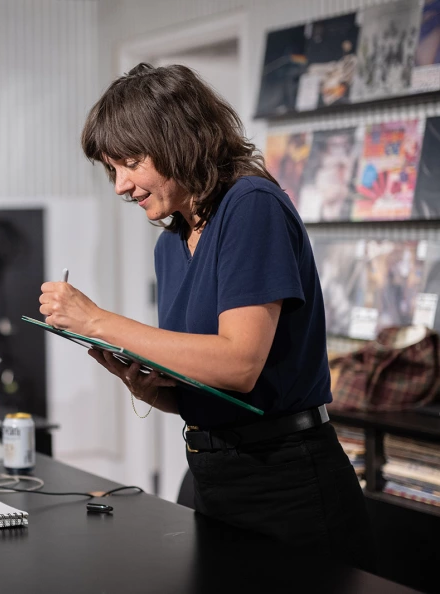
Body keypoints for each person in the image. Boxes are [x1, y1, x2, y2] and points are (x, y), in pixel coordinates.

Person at [39, 63, 376, 571]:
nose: (120, 186)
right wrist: (155, 389)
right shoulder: (171, 243)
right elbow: (213, 383)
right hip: (212, 477)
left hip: (288, 486)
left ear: (176, 141)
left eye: (129, 163)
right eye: (112, 170)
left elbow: (239, 364)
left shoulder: (251, 205)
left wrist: (96, 320)